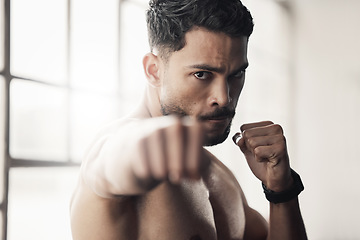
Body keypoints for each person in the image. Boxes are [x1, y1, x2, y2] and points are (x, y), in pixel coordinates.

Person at [70, 0, 307, 239]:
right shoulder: (114, 146)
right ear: (154, 70)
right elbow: (110, 162)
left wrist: (281, 190)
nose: (224, 98)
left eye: (236, 74)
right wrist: (142, 149)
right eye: (202, 74)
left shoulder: (220, 177)